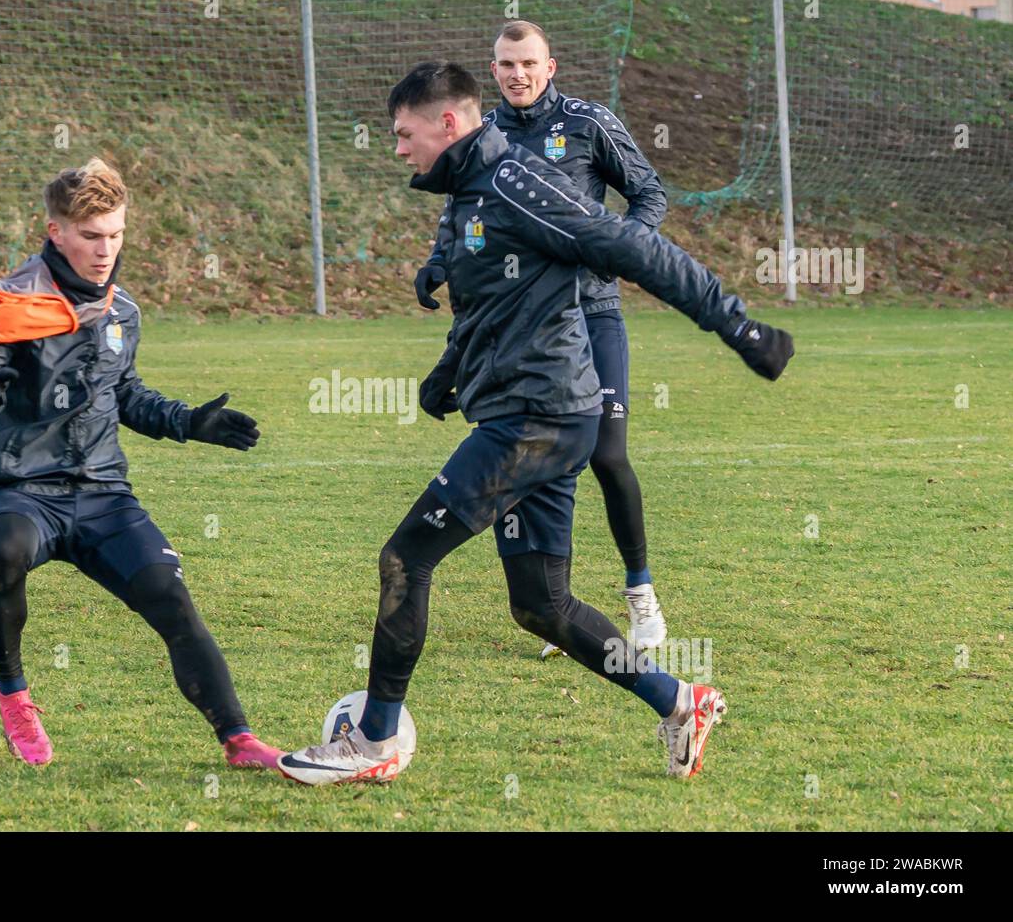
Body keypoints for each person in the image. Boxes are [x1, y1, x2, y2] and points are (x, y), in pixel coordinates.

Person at [278, 63, 793, 785]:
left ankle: (373, 741)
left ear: (448, 123)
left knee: (405, 557)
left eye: (404, 133)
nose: (397, 147)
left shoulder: (519, 184)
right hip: (539, 412)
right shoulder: (466, 195)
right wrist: (448, 370)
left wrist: (735, 325)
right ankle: (680, 701)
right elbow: (488, 298)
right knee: (541, 606)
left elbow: (629, 246)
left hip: (539, 416)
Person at [0, 157, 281, 769]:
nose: (105, 250)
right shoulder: (11, 304)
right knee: (5, 551)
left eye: (115, 235)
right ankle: (14, 694)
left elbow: (123, 395)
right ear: (55, 231)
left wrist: (188, 422)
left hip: (102, 494)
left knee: (170, 599)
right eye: (91, 236)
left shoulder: (122, 313)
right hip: (22, 488)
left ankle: (239, 740)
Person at [415, 21, 669, 655]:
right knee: (540, 460)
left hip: (592, 313)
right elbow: (458, 213)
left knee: (607, 455)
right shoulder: (483, 136)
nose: (517, 74)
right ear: (494, 70)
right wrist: (439, 262)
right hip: (523, 327)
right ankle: (559, 605)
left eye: (528, 62)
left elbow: (648, 193)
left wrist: (621, 250)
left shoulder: (588, 123)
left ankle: (641, 595)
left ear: (549, 67)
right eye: (505, 64)